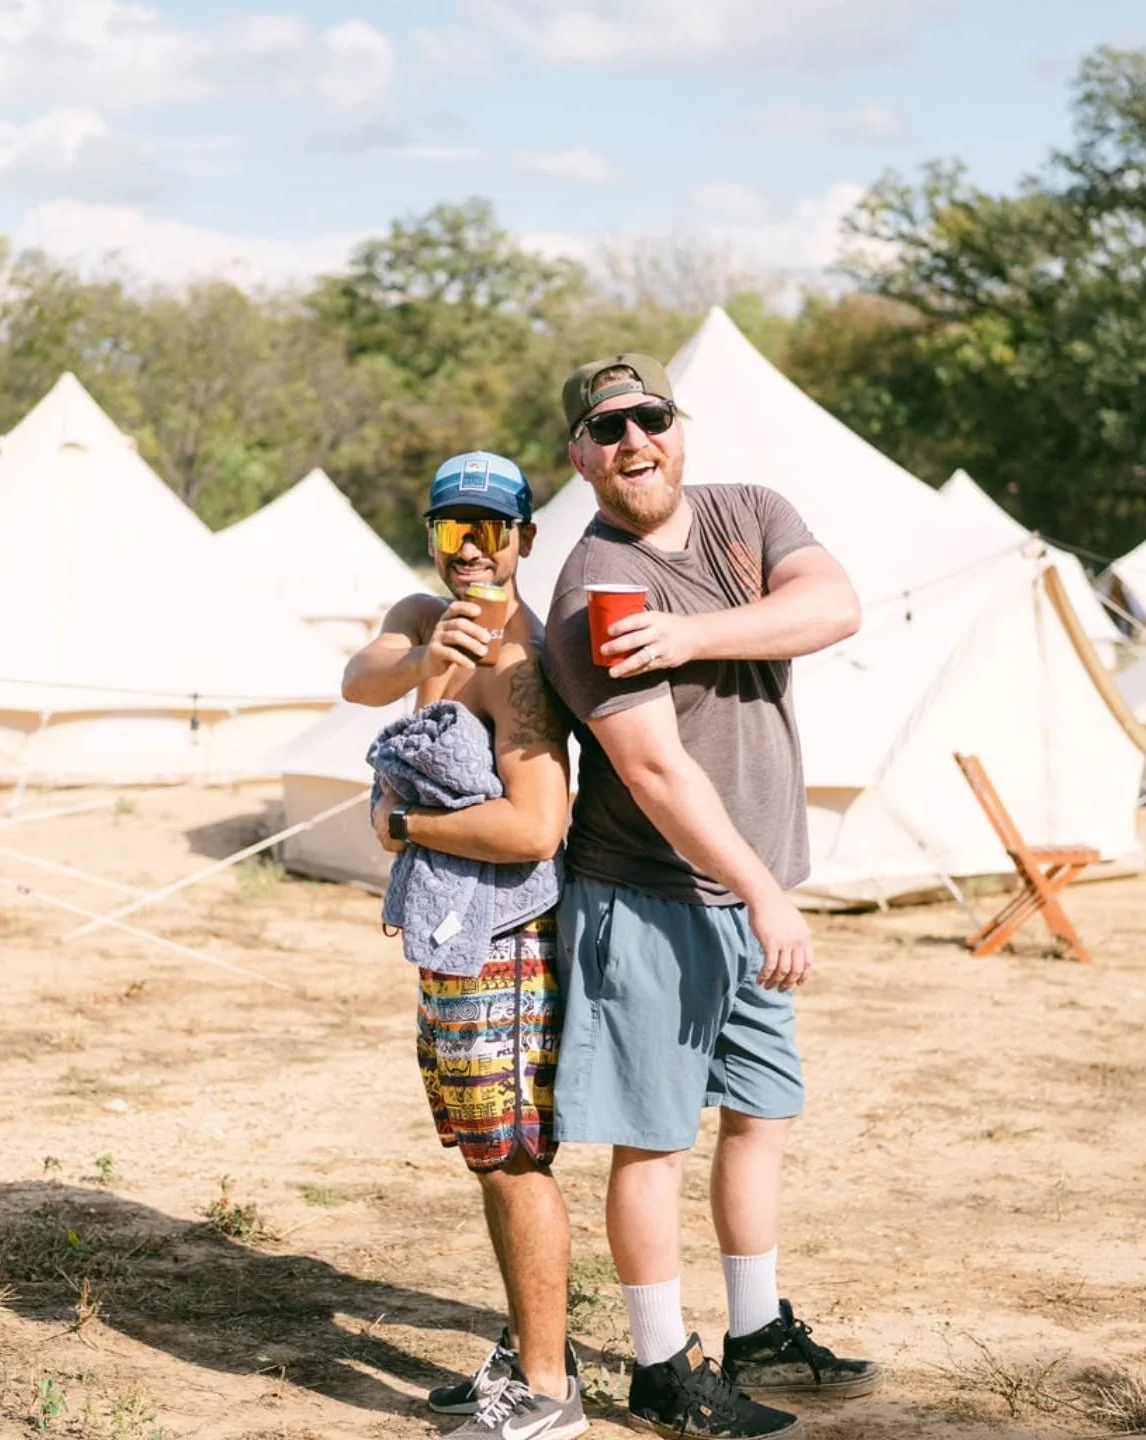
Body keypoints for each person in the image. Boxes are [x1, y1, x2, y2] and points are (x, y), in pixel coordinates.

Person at [541, 354, 880, 1439]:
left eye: (651, 418)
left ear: (678, 428)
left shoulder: (749, 514)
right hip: (651, 896)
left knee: (763, 1115)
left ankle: (755, 1326)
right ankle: (656, 1368)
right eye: (609, 428)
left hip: (751, 893)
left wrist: (692, 636)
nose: (635, 440)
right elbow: (652, 772)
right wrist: (761, 895)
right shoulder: (594, 588)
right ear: (580, 456)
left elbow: (834, 606)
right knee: (656, 1140)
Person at [342, 452, 584, 1440]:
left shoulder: (517, 669)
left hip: (511, 944)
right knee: (487, 1157)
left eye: (494, 532)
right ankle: (530, 1354)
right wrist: (419, 658)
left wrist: (405, 830)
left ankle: (549, 1395)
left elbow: (536, 830)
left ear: (526, 540)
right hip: (454, 939)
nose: (474, 552)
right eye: (454, 533)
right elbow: (360, 679)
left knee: (517, 1160)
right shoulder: (417, 617)